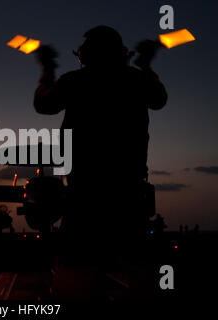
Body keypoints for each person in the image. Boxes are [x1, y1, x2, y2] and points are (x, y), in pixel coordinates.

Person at [33, 26, 168, 263]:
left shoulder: (74, 81)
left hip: (84, 193)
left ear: (85, 55)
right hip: (129, 191)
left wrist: (48, 69)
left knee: (78, 267)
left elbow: (43, 105)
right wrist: (146, 66)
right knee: (131, 267)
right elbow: (159, 99)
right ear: (121, 53)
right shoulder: (137, 80)